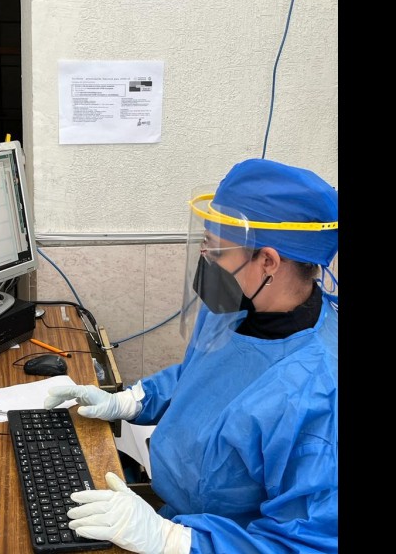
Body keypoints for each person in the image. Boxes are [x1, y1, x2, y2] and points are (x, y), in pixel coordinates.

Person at [44, 158, 338, 554]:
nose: (205, 256)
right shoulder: (235, 308)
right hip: (173, 515)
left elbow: (307, 544)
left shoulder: (319, 395)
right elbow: (201, 377)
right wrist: (130, 400)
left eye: (216, 249)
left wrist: (174, 540)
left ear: (268, 261)